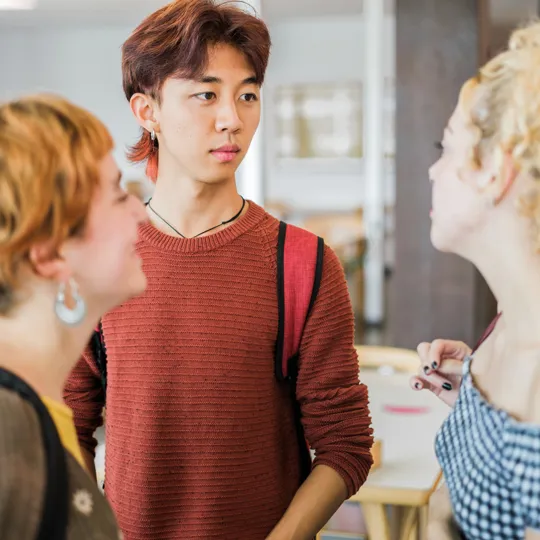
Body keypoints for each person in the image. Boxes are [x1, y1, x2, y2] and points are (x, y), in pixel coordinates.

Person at [63, 1, 374, 539]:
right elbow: (71, 419)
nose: (232, 117)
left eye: (247, 95)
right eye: (205, 94)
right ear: (147, 110)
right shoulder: (97, 260)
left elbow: (345, 444)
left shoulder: (302, 262)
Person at [406, 21, 540, 540]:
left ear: (496, 171)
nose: (433, 172)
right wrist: (472, 401)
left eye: (448, 148)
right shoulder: (509, 323)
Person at [0, 94, 147, 538]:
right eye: (118, 195)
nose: (141, 211)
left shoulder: (37, 408)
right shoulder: (9, 432)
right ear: (49, 254)